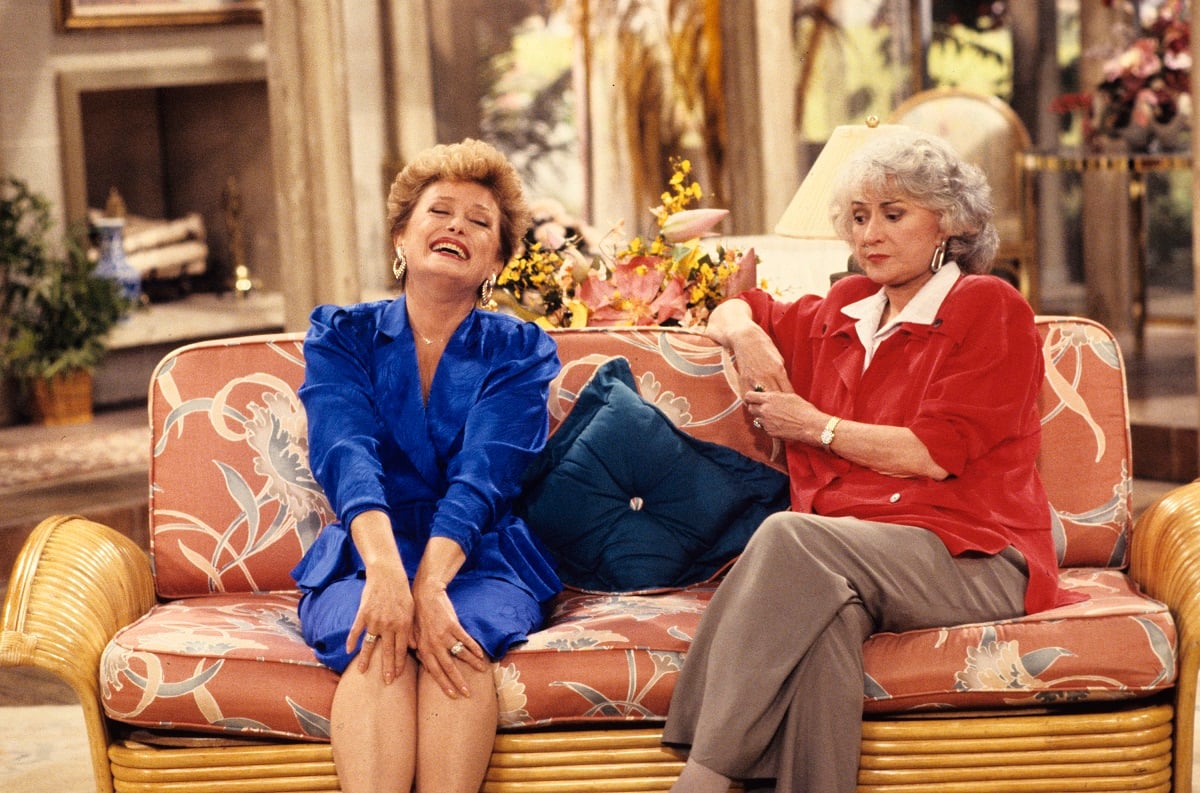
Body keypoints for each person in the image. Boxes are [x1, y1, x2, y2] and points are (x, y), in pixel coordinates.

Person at [662, 129, 1080, 793]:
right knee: (824, 620)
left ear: (951, 222)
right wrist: (747, 335)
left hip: (974, 555)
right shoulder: (842, 311)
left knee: (787, 535)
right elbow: (732, 305)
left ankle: (703, 777)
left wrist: (816, 426)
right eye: (859, 217)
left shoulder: (987, 305)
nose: (871, 234)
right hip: (854, 560)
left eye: (894, 213)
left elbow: (933, 455)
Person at [291, 138, 562, 793]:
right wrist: (387, 571)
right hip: (367, 550)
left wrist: (430, 585)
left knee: (455, 646)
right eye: (440, 211)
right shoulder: (341, 334)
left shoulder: (520, 349)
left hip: (476, 556)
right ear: (402, 235)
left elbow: (485, 476)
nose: (457, 228)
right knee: (377, 640)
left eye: (479, 222)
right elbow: (344, 450)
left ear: (497, 257)